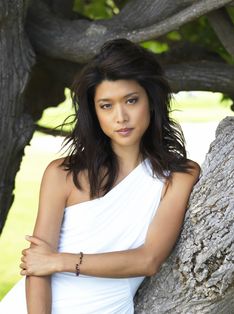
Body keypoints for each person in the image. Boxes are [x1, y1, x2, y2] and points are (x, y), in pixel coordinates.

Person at [0, 38, 200, 314]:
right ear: (94, 112)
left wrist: (60, 261)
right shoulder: (62, 174)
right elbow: (37, 267)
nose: (121, 116)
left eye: (131, 100)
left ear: (151, 101)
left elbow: (148, 260)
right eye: (106, 105)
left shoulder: (178, 176)